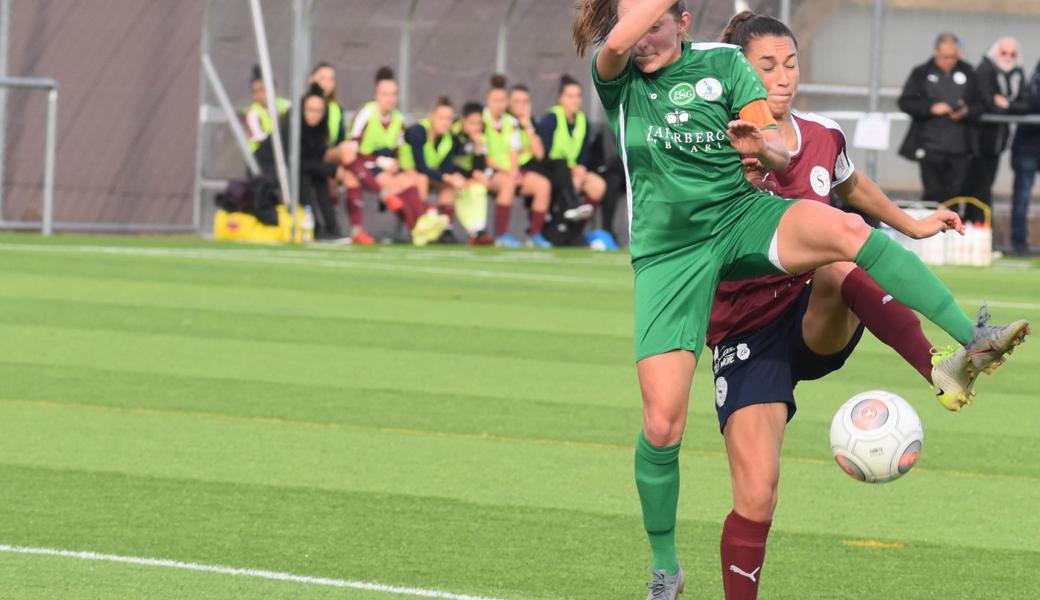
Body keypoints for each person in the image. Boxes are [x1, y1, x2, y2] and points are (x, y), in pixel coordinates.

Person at [570, 2, 1031, 599]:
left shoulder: (727, 66)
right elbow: (619, 39)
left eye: (654, 26)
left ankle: (968, 340)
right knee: (663, 426)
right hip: (672, 257)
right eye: (630, 29)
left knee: (843, 237)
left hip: (739, 220)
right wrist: (632, 19)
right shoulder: (619, 75)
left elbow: (782, 154)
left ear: (683, 22)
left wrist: (757, 148)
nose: (638, 41)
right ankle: (665, 570)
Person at [707, 12, 996, 599]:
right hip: (746, 330)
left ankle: (942, 367)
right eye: (767, 67)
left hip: (815, 314)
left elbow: (851, 185)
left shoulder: (822, 134)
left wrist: (912, 225)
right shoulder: (714, 144)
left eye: (790, 63)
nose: (784, 78)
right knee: (757, 496)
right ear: (738, 73)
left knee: (841, 256)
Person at [350, 66, 446, 245]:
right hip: (365, 166)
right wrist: (377, 161)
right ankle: (419, 224)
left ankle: (422, 223)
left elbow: (398, 151)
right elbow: (351, 150)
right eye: (385, 94)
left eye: (393, 94)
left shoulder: (398, 119)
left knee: (410, 181)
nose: (390, 98)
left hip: (386, 168)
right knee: (393, 184)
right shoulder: (366, 114)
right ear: (376, 95)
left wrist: (397, 165)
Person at [898, 33, 984, 209]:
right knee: (933, 192)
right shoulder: (921, 72)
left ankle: (951, 232)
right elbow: (906, 102)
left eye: (954, 56)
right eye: (945, 57)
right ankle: (929, 232)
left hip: (960, 148)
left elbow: (981, 104)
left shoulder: (968, 71)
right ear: (936, 51)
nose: (950, 61)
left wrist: (966, 111)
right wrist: (931, 108)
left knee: (955, 193)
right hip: (930, 146)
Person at [254, 83, 351, 240]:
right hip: (267, 168)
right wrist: (333, 171)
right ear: (302, 110)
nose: (314, 115)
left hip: (296, 168)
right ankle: (314, 228)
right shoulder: (291, 128)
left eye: (319, 111)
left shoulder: (320, 129)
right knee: (304, 177)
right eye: (310, 110)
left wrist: (329, 170)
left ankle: (332, 228)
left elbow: (314, 160)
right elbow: (297, 163)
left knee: (318, 177)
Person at [964, 37, 1029, 223]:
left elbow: (1025, 104)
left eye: (1012, 54)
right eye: (1004, 53)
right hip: (978, 141)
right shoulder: (986, 69)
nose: (1008, 57)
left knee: (983, 187)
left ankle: (978, 231)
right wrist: (1005, 104)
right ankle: (976, 229)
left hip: (996, 144)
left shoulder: (1017, 73)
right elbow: (989, 103)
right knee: (976, 188)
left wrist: (1006, 103)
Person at [309, 62, 373, 245]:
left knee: (350, 177)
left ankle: (354, 230)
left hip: (330, 158)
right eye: (322, 78)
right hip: (312, 157)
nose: (327, 83)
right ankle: (382, 191)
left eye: (331, 79)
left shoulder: (336, 108)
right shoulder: (307, 104)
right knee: (346, 152)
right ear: (312, 80)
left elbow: (339, 139)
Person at [537, 74, 608, 227]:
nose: (575, 100)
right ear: (560, 98)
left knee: (598, 186)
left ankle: (578, 226)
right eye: (570, 96)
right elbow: (546, 151)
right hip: (554, 168)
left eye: (578, 96)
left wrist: (581, 166)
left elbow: (584, 150)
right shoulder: (550, 119)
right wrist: (572, 168)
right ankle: (560, 226)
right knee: (574, 182)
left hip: (575, 168)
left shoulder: (583, 120)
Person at [400, 96, 472, 243]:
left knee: (449, 186)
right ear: (432, 116)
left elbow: (446, 168)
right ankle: (420, 226)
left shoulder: (448, 139)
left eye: (449, 118)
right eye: (441, 117)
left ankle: (446, 230)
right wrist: (448, 177)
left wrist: (455, 177)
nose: (445, 122)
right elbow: (420, 167)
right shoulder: (418, 131)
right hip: (406, 172)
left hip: (429, 173)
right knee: (423, 179)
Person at [507, 84, 555, 247]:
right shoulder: (505, 122)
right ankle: (501, 235)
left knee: (544, 185)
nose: (521, 105)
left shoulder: (531, 122)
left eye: (525, 101)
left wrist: (527, 125)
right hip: (505, 171)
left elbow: (539, 154)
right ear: (509, 103)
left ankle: (535, 234)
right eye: (517, 101)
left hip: (524, 172)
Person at [1010, 59, 1040, 256]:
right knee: (1022, 197)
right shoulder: (1036, 76)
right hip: (1028, 147)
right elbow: (1033, 102)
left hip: (1028, 146)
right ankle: (1019, 244)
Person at [244, 65, 290, 153]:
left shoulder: (285, 104)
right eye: (254, 91)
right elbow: (262, 140)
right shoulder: (253, 114)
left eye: (262, 90)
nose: (258, 95)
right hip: (261, 157)